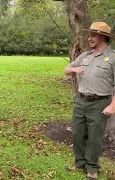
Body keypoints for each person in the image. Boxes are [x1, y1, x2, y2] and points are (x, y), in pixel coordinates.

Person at [64, 22, 115, 180]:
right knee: (78, 134)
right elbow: (66, 70)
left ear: (102, 36)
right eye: (89, 35)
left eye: (93, 35)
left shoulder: (113, 57)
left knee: (94, 137)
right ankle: (79, 163)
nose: (89, 38)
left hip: (99, 102)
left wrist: (113, 106)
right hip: (81, 101)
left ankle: (92, 167)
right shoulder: (85, 55)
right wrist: (74, 69)